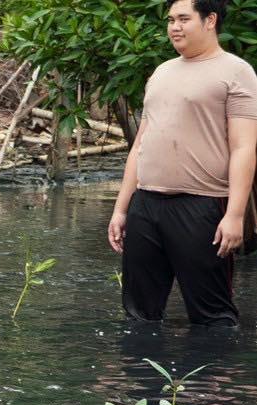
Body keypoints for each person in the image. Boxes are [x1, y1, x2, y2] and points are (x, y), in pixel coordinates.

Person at [108, 0, 257, 326]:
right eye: (171, 20)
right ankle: (142, 376)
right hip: (145, 205)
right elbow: (140, 146)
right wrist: (121, 209)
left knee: (212, 317)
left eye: (183, 19)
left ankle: (216, 375)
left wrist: (234, 214)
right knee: (138, 315)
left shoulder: (237, 72)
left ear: (210, 20)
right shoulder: (162, 72)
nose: (174, 26)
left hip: (203, 205)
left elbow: (244, 147)